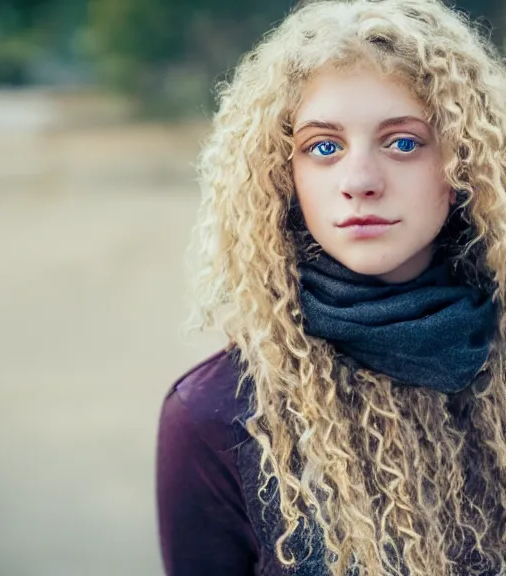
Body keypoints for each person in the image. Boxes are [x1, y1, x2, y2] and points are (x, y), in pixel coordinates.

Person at [156, 0, 506, 574]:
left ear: (463, 162)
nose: (361, 182)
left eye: (403, 143)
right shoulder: (214, 417)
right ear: (283, 174)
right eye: (324, 147)